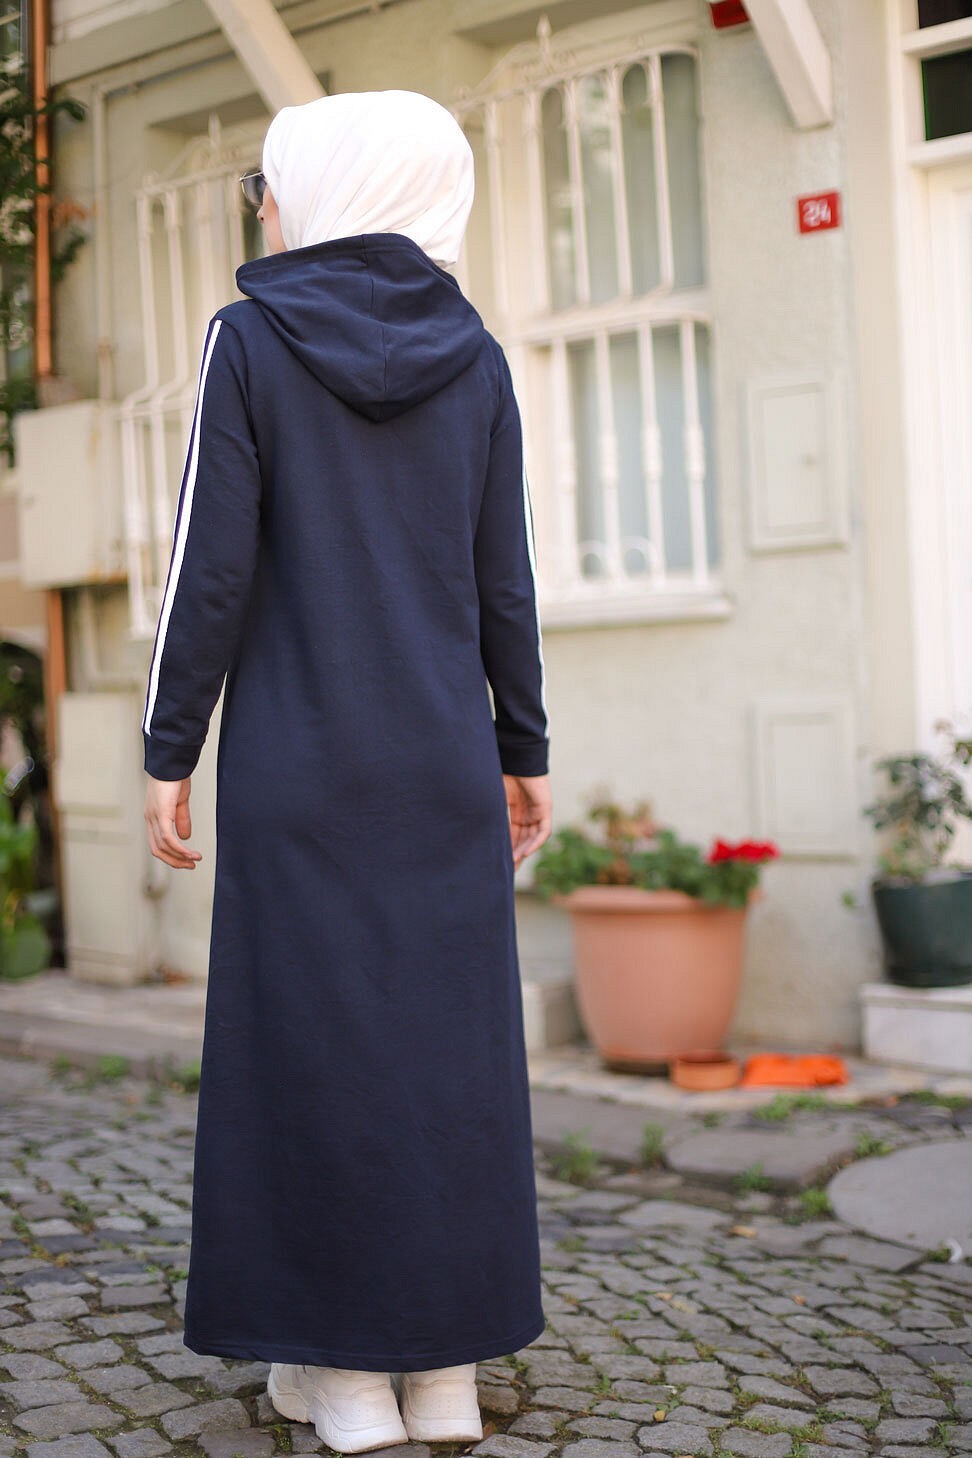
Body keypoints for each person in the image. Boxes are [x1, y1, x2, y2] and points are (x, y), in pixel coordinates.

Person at [140, 89, 553, 1454]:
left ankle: (344, 1378)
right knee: (444, 1063)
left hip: (300, 772)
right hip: (442, 766)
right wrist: (523, 745)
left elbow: (208, 566)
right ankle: (441, 1375)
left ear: (329, 187)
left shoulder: (250, 341)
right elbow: (505, 578)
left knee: (311, 1054)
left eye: (268, 179)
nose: (262, 203)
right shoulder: (477, 355)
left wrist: (169, 746)